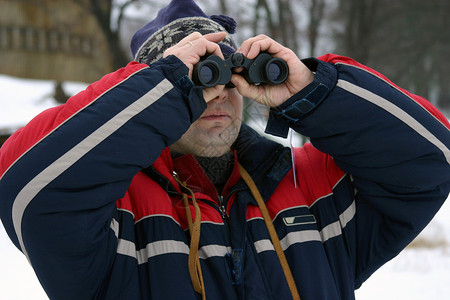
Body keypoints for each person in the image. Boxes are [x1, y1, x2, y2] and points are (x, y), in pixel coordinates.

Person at [0, 0, 449, 299]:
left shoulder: (310, 186)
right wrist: (168, 83)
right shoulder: (112, 213)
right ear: (153, 94)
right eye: (198, 80)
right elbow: (27, 190)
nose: (215, 94)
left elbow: (433, 159)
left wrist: (312, 92)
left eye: (224, 75)